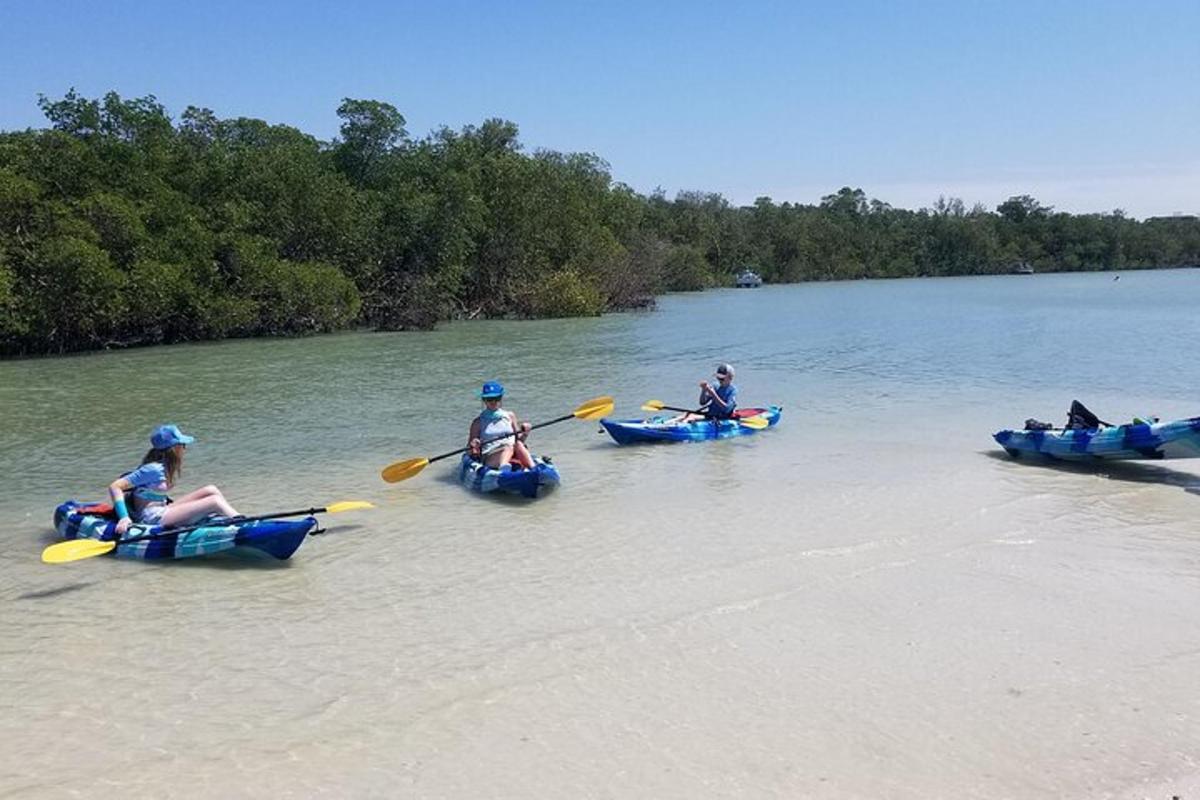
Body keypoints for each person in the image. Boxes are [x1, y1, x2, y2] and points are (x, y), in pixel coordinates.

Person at [108, 424, 241, 536]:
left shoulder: (164, 466)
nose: (185, 448)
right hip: (152, 517)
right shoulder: (152, 469)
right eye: (182, 445)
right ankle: (242, 524)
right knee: (214, 501)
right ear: (174, 448)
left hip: (163, 509)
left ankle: (230, 519)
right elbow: (115, 487)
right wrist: (124, 517)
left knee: (211, 490)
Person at [468, 381, 535, 470]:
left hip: (513, 451)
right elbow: (469, 450)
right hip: (491, 455)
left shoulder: (510, 416)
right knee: (508, 448)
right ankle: (504, 468)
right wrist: (473, 446)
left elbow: (520, 440)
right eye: (489, 399)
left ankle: (535, 469)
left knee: (518, 444)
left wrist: (526, 433)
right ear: (484, 400)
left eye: (497, 398)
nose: (493, 402)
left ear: (501, 398)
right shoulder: (478, 422)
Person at [674, 363, 738, 424]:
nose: (719, 380)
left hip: (721, 418)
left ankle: (680, 426)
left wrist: (713, 394)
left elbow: (726, 409)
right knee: (686, 414)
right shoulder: (715, 386)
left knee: (691, 417)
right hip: (710, 415)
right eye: (718, 378)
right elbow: (702, 402)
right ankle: (668, 424)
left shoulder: (732, 390)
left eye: (722, 378)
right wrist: (703, 390)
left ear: (730, 377)